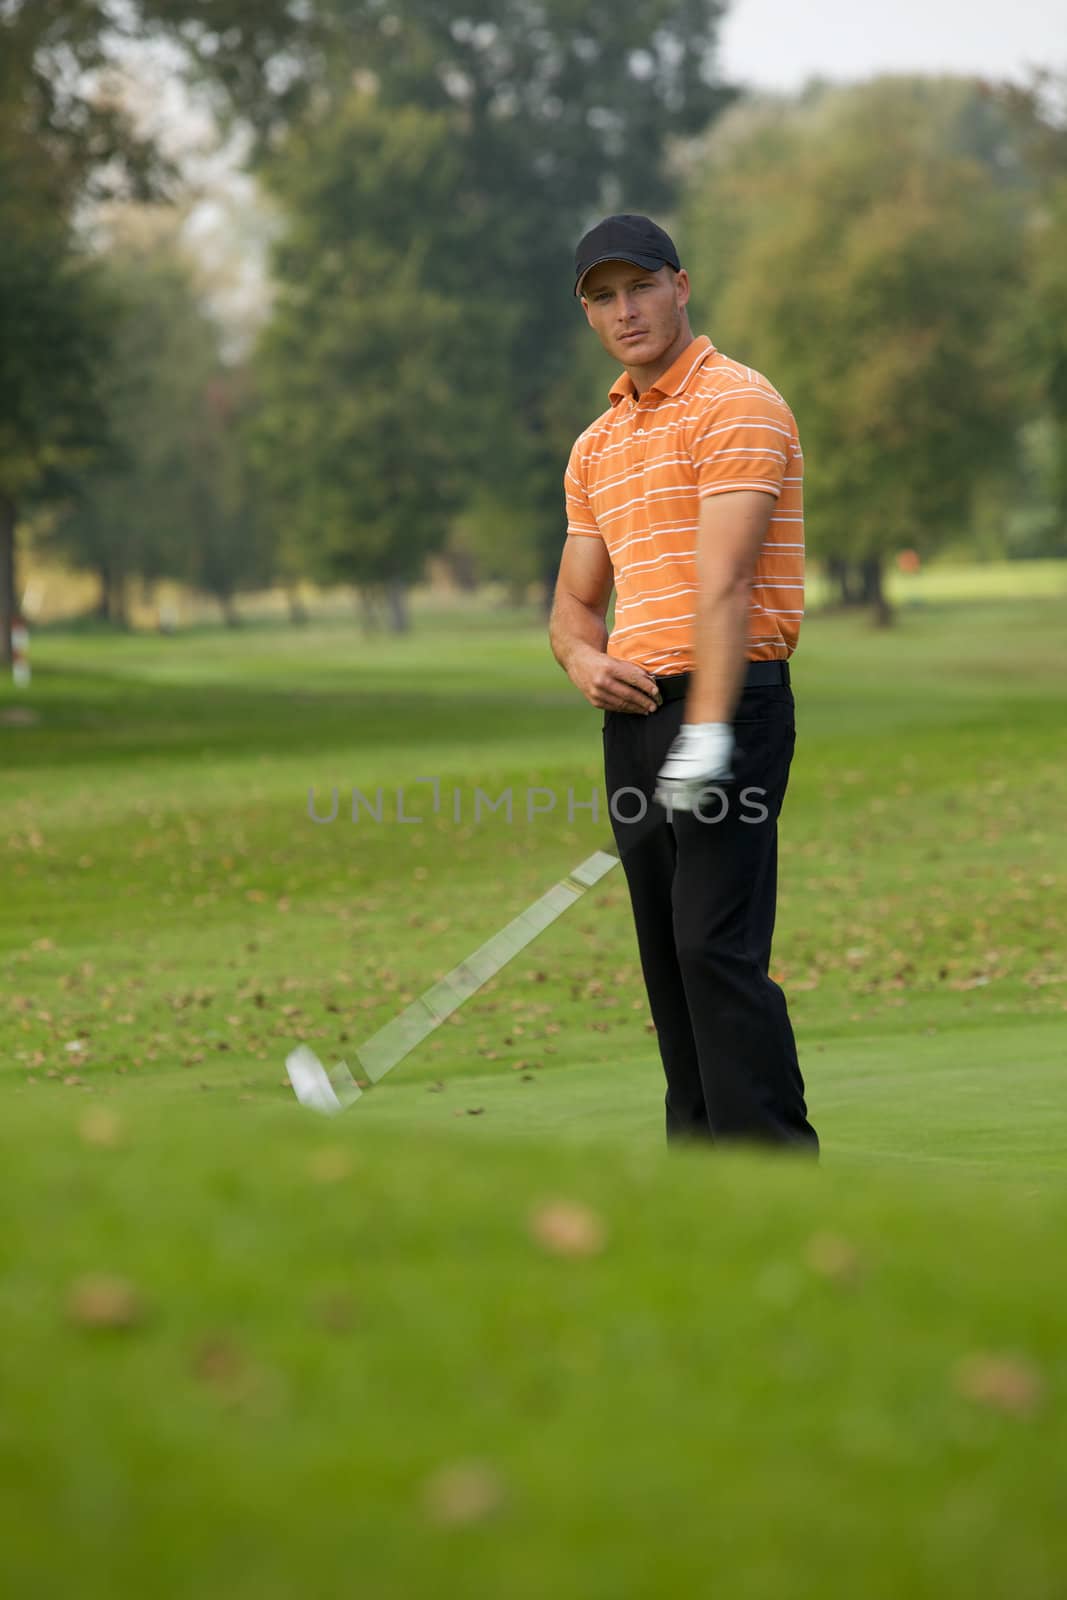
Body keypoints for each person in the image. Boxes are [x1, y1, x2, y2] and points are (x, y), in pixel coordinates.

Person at [549, 213, 819, 1154]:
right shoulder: (595, 447)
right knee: (668, 964)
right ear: (587, 314)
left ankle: (772, 1177)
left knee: (714, 948)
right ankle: (700, 1179)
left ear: (681, 285)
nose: (624, 311)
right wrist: (586, 660)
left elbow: (728, 584)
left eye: (640, 287)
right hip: (636, 716)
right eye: (602, 298)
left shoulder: (735, 403)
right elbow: (574, 609)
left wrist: (704, 734)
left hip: (730, 703)